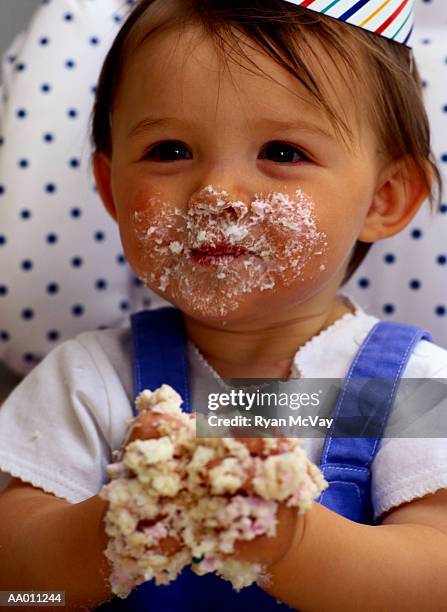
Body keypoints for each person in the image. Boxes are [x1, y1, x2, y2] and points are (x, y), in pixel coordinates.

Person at [0, 0, 447, 610]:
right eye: (170, 151)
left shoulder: (412, 390)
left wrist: (293, 547)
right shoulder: (88, 381)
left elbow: (434, 580)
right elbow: (20, 590)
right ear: (110, 187)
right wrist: (113, 530)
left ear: (384, 199)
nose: (216, 194)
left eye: (282, 153)